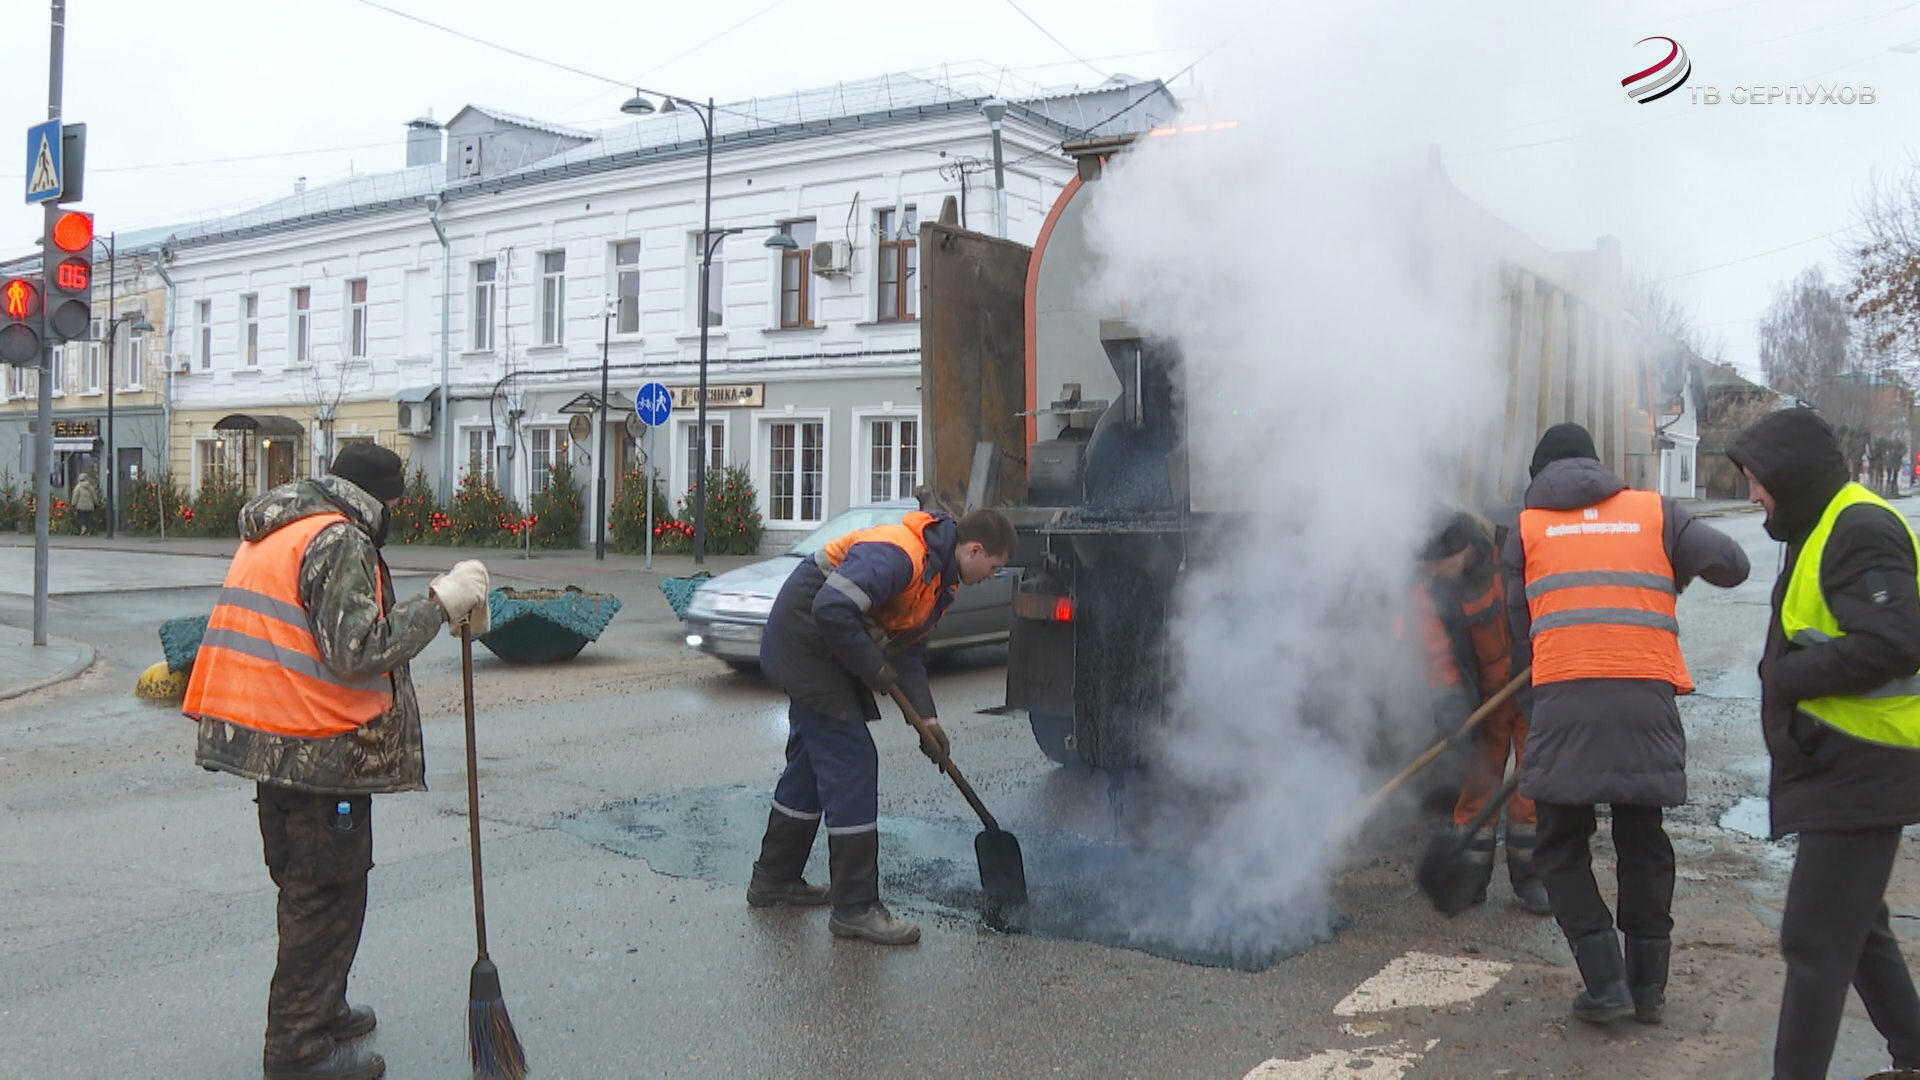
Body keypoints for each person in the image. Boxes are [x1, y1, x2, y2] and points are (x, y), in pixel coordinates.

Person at [184, 443, 492, 1080]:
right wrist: (439, 604)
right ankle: (297, 1050)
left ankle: (322, 1008)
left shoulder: (285, 526)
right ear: (379, 502)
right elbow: (357, 649)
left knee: (313, 888)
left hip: (274, 743)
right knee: (323, 896)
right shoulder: (338, 539)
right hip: (318, 746)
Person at [1503, 422, 1749, 1027]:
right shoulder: (1654, 511)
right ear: (1599, 465)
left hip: (1564, 701)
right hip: (1645, 704)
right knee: (1643, 841)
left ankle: (1605, 980)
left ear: (1539, 478)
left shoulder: (1527, 527)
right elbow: (1735, 566)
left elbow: (1519, 635)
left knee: (1560, 846)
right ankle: (1649, 990)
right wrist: (1673, 565)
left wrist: (1539, 713)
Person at [1728, 408, 1920, 1080]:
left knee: (1813, 940)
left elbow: (1897, 639)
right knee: (1859, 930)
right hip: (1846, 762)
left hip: (1866, 764)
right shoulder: (1822, 523)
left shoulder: (1860, 527)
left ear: (1789, 474)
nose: (1753, 496)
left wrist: (1792, 677)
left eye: (1757, 481)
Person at [749, 505, 1018, 945]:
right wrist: (874, 670)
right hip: (806, 638)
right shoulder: (900, 554)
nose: (993, 575)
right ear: (974, 549)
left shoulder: (940, 583)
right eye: (995, 566)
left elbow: (907, 650)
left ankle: (774, 879)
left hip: (829, 645)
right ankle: (855, 908)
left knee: (810, 764)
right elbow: (831, 607)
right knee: (851, 761)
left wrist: (927, 721)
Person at [1420, 510, 1550, 916]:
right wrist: (1450, 710)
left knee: (1530, 792)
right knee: (1477, 789)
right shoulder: (1436, 592)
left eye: (1438, 561)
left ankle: (1531, 879)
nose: (1432, 570)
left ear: (1462, 552)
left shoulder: (1512, 564)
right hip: (1485, 704)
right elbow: (1439, 656)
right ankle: (1470, 880)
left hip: (1528, 691)